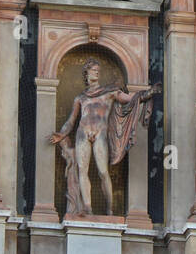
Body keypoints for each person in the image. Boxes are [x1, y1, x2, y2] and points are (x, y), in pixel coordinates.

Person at [49, 58, 158, 217]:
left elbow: (130, 99)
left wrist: (147, 93)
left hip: (100, 133)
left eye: (98, 69)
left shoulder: (110, 92)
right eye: (93, 69)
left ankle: (109, 209)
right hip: (82, 132)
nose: (97, 72)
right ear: (86, 73)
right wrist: (61, 134)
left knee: (102, 171)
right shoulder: (80, 98)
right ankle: (87, 207)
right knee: (82, 170)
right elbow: (71, 121)